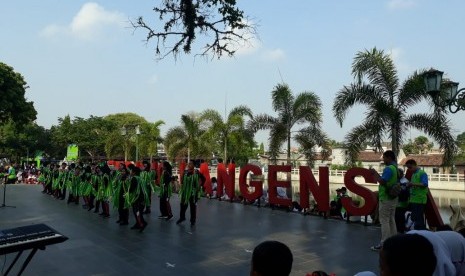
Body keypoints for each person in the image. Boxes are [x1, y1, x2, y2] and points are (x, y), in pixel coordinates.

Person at [370, 150, 398, 251]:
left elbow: (382, 181)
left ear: (389, 158)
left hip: (386, 198)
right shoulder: (396, 168)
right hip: (393, 198)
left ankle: (384, 243)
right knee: (391, 219)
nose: (383, 160)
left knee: (384, 221)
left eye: (384, 158)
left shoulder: (389, 169)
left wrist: (375, 173)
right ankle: (394, 240)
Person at [176, 160, 204, 226]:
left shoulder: (197, 172)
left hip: (193, 192)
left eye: (191, 164)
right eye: (188, 164)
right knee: (182, 205)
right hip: (185, 192)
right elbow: (182, 180)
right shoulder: (185, 172)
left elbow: (202, 179)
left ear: (194, 165)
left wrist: (198, 187)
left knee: (193, 207)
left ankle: (192, 221)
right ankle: (182, 218)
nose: (189, 165)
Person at [405, 159, 429, 230]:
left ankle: (420, 232)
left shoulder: (422, 173)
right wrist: (409, 185)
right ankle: (418, 231)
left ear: (415, 165)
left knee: (418, 218)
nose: (409, 169)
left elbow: (425, 184)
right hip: (414, 199)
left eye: (410, 167)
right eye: (408, 168)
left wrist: (412, 184)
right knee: (416, 217)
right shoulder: (413, 174)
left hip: (420, 199)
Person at [394, 168, 410, 233]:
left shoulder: (404, 181)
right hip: (397, 202)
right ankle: (398, 229)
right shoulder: (399, 180)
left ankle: (401, 229)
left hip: (402, 202)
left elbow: (404, 192)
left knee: (400, 216)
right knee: (397, 216)